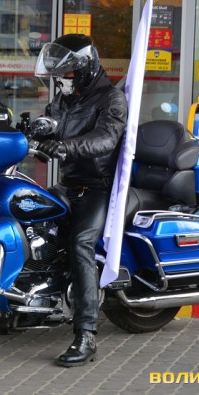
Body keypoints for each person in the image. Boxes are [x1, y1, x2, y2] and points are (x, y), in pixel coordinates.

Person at [33, 34, 128, 367]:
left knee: (80, 243)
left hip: (98, 187)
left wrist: (65, 147)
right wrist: (33, 133)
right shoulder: (65, 98)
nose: (61, 79)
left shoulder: (111, 99)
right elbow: (51, 125)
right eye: (58, 74)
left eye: (67, 73)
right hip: (69, 184)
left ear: (85, 69)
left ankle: (86, 335)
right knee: (30, 218)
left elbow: (105, 138)